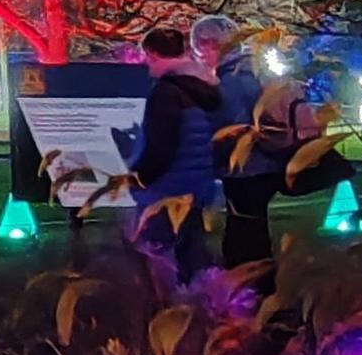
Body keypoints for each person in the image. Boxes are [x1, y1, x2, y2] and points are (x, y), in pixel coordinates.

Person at [115, 25, 226, 282]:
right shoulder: (203, 88)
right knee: (192, 255)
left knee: (157, 259)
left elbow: (162, 146)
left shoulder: (166, 92)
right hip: (197, 186)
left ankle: (165, 310)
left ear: (152, 54)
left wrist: (140, 178)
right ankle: (201, 307)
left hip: (165, 191)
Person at [193, 14, 279, 281]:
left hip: (245, 168)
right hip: (262, 164)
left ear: (212, 45)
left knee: (244, 233)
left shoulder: (230, 81)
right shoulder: (249, 72)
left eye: (200, 48)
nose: (200, 56)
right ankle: (259, 282)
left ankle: (251, 287)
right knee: (253, 228)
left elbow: (232, 127)